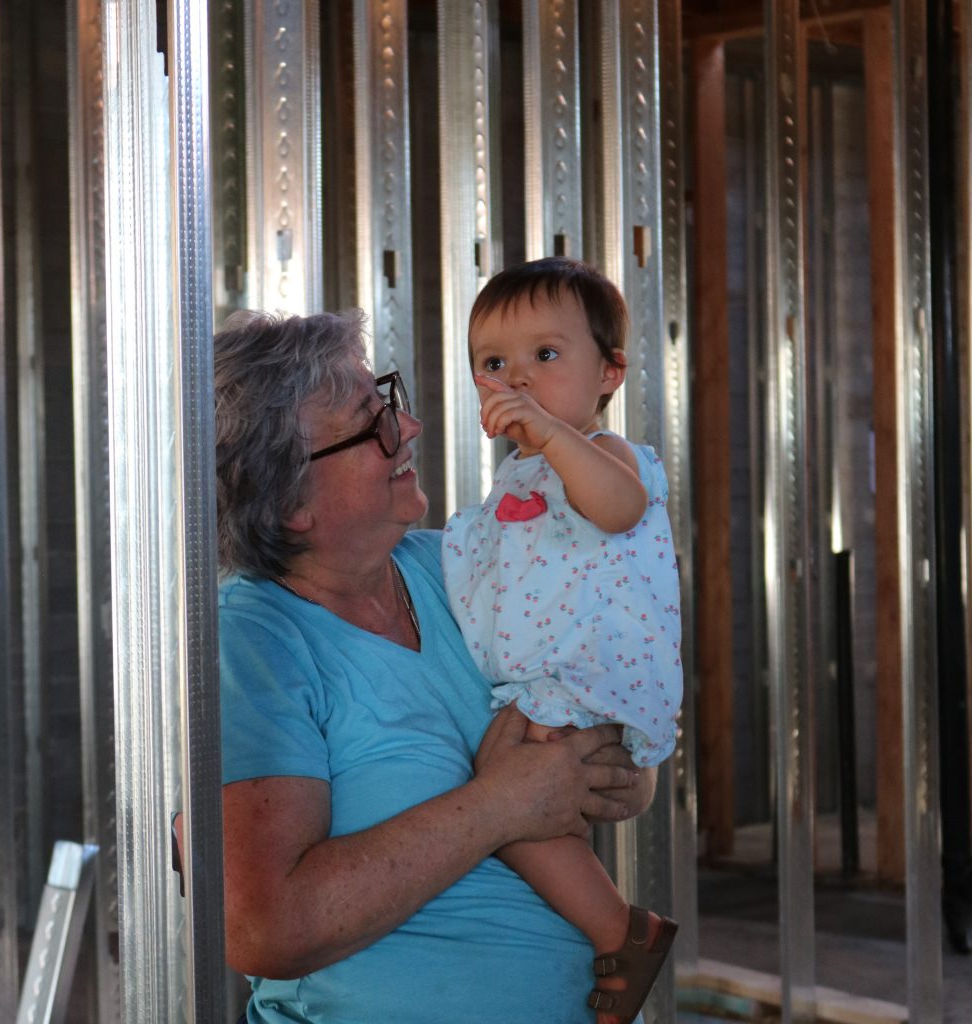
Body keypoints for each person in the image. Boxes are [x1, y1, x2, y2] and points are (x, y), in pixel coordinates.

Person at [212, 307, 658, 1024]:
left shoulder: (464, 569)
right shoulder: (252, 644)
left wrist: (619, 768)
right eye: (372, 421)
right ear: (292, 500)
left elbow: (618, 772)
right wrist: (499, 805)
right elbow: (269, 929)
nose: (409, 428)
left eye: (388, 400)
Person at [441, 257, 683, 1023]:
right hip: (548, 678)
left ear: (609, 372)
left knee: (508, 805)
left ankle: (620, 929)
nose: (517, 378)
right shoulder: (519, 477)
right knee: (512, 808)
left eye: (545, 356)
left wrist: (550, 435)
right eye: (493, 362)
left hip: (589, 672)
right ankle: (603, 929)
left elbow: (617, 509)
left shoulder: (606, 455)